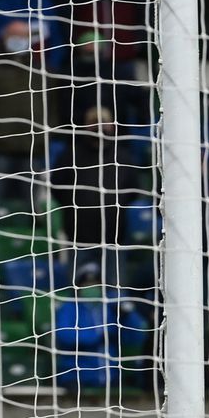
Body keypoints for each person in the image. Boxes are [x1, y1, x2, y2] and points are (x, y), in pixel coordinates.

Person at [0, 19, 62, 197]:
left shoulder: (43, 70)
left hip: (33, 150)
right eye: (14, 35)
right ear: (4, 37)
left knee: (29, 209)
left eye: (23, 36)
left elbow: (54, 106)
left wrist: (44, 134)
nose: (19, 39)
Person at [49, 104, 132, 286]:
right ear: (85, 125)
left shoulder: (122, 156)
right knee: (76, 293)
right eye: (94, 123)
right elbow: (56, 187)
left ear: (113, 126)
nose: (99, 128)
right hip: (79, 238)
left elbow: (133, 189)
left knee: (117, 293)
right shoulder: (71, 155)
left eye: (104, 123)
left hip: (113, 239)